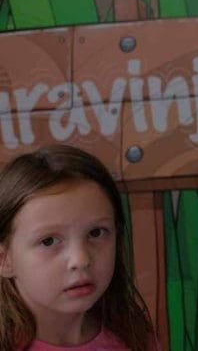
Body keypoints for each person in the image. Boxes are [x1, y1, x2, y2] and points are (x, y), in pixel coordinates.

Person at [0, 145, 158, 351]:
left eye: (96, 233)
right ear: (4, 259)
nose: (81, 259)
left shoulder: (134, 338)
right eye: (48, 241)